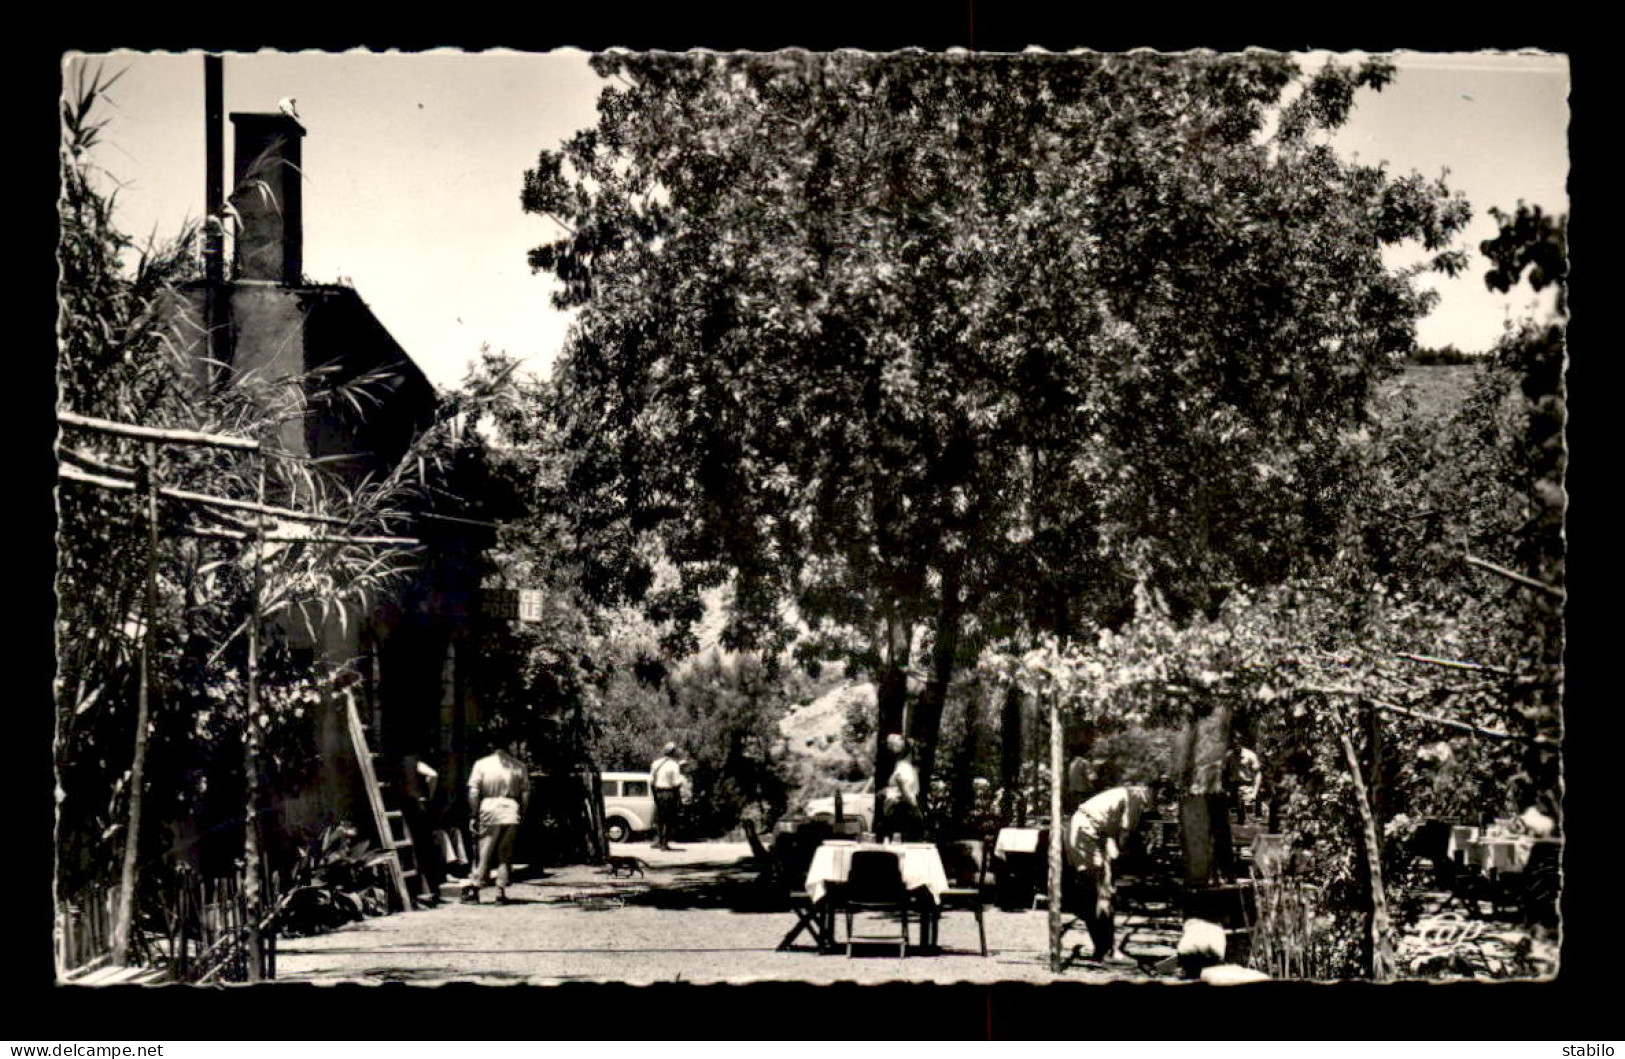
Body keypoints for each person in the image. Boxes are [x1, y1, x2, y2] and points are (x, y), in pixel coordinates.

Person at [1064, 783, 1153, 961]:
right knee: (1097, 892)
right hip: (1086, 832)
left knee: (1101, 893)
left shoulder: (1126, 797)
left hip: (1092, 832)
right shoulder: (1134, 797)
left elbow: (1115, 834)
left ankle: (1104, 947)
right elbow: (1126, 835)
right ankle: (1104, 947)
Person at [462, 732, 530, 905]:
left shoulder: (481, 764)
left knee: (484, 850)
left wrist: (474, 814)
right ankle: (500, 891)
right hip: (511, 808)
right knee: (504, 853)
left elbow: (474, 791)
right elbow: (525, 792)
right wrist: (522, 812)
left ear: (491, 746)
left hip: (489, 806)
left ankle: (476, 888)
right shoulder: (518, 766)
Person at [882, 733, 924, 842]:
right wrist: (914, 807)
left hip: (899, 809)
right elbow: (901, 783)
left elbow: (899, 782)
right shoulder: (905, 767)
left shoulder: (904, 767)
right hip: (902, 809)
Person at [650, 741, 685, 851]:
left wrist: (655, 794)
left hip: (657, 792)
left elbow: (651, 781)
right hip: (669, 792)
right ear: (673, 752)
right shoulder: (674, 765)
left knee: (659, 818)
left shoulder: (656, 763)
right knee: (668, 819)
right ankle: (664, 843)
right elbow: (676, 783)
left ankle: (659, 840)